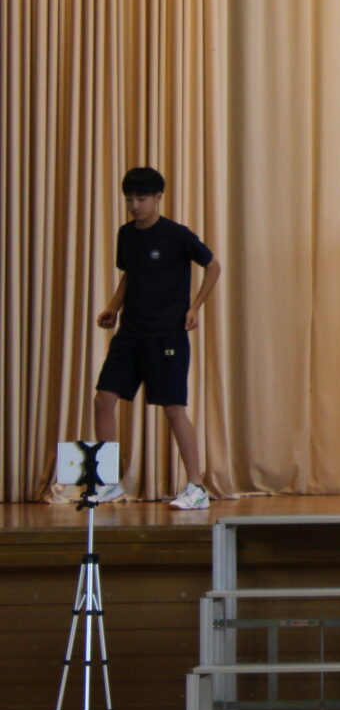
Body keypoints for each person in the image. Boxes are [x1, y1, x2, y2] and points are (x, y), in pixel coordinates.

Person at [90, 166, 221, 509]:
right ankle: (107, 482)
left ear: (159, 197)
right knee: (103, 400)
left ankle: (196, 488)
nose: (135, 205)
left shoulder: (176, 234)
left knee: (174, 409)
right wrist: (113, 307)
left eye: (142, 198)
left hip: (167, 335)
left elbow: (213, 266)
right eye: (130, 199)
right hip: (131, 332)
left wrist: (195, 307)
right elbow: (129, 276)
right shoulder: (126, 234)